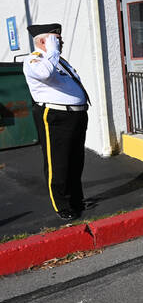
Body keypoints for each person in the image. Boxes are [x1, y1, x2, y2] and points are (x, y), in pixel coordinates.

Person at [23, 23, 90, 220]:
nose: (61, 42)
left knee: (76, 161)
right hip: (56, 116)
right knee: (58, 162)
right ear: (44, 41)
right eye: (56, 39)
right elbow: (45, 74)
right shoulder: (34, 60)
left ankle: (76, 200)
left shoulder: (59, 61)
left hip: (77, 115)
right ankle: (62, 205)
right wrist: (51, 50)